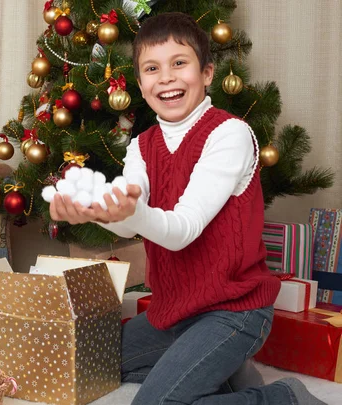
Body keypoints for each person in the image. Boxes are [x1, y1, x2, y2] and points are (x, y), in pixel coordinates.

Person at [50, 12, 325, 405]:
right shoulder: (141, 146)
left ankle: (283, 397)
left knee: (154, 403)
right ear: (140, 83)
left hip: (234, 311)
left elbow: (182, 230)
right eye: (151, 68)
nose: (166, 77)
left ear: (208, 72)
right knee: (86, 362)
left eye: (179, 63)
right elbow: (131, 222)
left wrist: (128, 213)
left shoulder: (229, 134)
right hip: (174, 313)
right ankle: (225, 374)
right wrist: (98, 210)